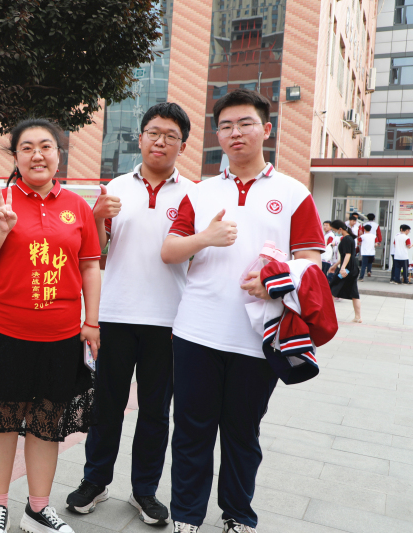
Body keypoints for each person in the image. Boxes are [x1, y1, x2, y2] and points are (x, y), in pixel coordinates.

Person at [160, 89, 324, 533]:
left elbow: (311, 260)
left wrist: (275, 282)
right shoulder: (201, 193)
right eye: (226, 126)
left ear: (266, 129)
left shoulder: (293, 193)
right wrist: (204, 239)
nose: (236, 133)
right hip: (196, 332)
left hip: (259, 336)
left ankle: (238, 515)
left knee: (242, 432)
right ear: (217, 135)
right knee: (191, 430)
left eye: (245, 123)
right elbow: (169, 251)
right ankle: (187, 516)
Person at [0, 118, 102, 533]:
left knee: (46, 424)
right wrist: (2, 230)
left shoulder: (76, 206)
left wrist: (91, 322)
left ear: (58, 154)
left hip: (60, 337)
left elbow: (90, 267)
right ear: (16, 157)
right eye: (27, 148)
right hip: (5, 335)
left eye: (46, 146)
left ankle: (37, 510)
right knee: (3, 421)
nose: (37, 155)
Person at [64, 103, 194, 525]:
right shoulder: (115, 187)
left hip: (169, 321)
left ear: (183, 145)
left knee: (156, 412)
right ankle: (95, 482)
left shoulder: (194, 194)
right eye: (153, 133)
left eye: (170, 136)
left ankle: (144, 491)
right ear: (140, 138)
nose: (160, 141)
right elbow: (94, 254)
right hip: (116, 316)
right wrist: (96, 219)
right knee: (107, 406)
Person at [328, 220, 361, 321]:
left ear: (340, 229)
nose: (335, 232)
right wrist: (335, 265)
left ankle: (328, 315)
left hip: (346, 270)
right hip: (352, 268)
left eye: (334, 230)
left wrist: (342, 268)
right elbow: (345, 256)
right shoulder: (350, 238)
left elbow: (347, 255)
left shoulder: (346, 239)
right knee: (354, 293)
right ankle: (358, 317)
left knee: (332, 288)